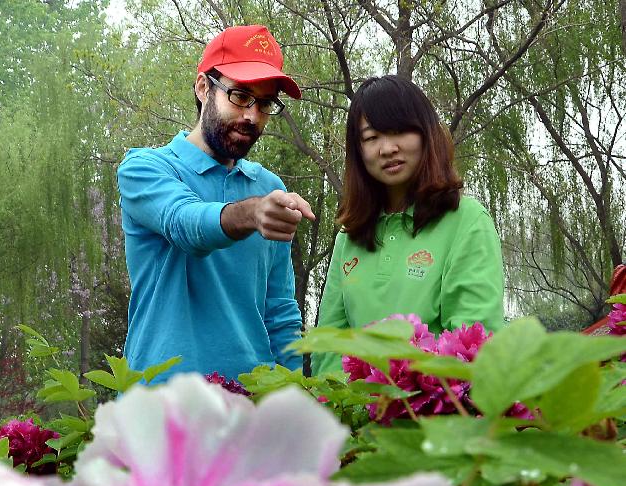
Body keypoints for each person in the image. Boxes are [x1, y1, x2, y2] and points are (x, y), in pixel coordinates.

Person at [117, 24, 315, 382]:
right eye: (240, 95)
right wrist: (252, 213)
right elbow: (186, 224)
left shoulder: (270, 187)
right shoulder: (145, 169)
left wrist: (292, 399)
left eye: (266, 103)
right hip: (161, 412)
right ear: (203, 87)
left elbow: (281, 312)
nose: (252, 116)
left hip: (251, 413)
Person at [311, 75, 505, 375]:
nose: (387, 149)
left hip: (438, 412)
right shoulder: (348, 237)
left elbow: (475, 346)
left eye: (398, 131)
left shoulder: (467, 221)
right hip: (354, 416)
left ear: (426, 134)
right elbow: (329, 345)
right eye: (371, 137)